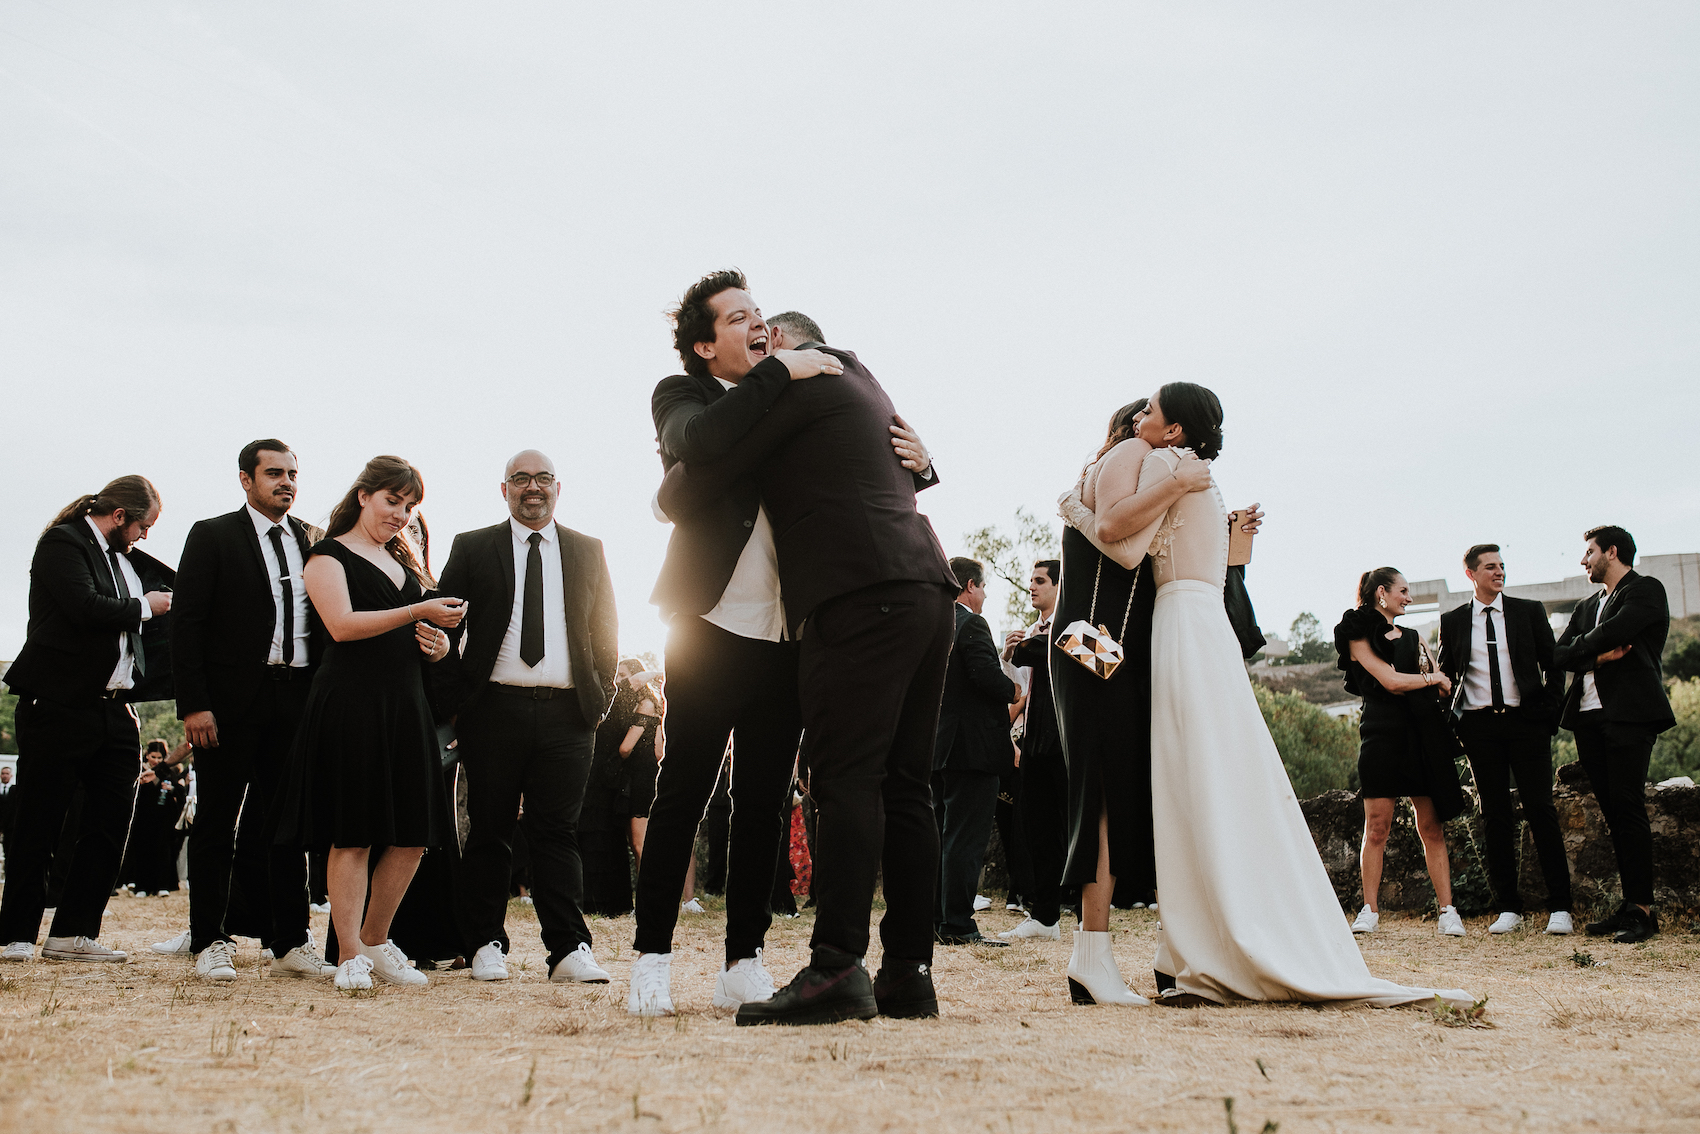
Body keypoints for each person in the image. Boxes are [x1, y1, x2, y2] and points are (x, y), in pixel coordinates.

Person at [657, 276, 959, 1026]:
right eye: (742, 323)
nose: (758, 337)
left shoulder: (792, 384)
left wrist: (770, 380)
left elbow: (692, 475)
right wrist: (925, 464)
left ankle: (834, 970)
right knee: (907, 787)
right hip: (927, 587)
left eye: (765, 330)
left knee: (847, 780)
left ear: (787, 346)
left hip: (861, 597)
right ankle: (908, 975)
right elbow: (890, 461)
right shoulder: (857, 373)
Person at [1123, 383, 1471, 1007]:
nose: (1136, 418)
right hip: (1203, 630)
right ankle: (1193, 947)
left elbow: (1119, 540)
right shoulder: (1204, 478)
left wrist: (1076, 500)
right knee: (1209, 776)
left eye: (1149, 411)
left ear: (1175, 430)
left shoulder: (1166, 465)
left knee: (1189, 778)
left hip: (1181, 628)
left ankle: (1200, 951)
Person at [273, 456, 466, 990]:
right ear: (363, 496)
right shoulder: (326, 556)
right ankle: (350, 954)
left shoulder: (403, 564)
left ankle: (378, 942)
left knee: (412, 835)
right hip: (350, 707)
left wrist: (437, 645)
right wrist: (416, 614)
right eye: (392, 501)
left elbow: (415, 637)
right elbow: (342, 624)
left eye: (410, 507)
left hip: (405, 707)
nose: (401, 515)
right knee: (352, 835)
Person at [432, 449, 619, 986]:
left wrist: (597, 701)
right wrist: (456, 699)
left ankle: (569, 949)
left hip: (568, 715)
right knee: (489, 830)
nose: (531, 488)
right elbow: (444, 622)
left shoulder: (588, 549)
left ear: (559, 487)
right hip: (492, 710)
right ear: (504, 489)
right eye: (521, 479)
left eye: (542, 479)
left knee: (557, 832)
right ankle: (486, 944)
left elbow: (605, 631)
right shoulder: (473, 547)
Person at [1051, 402, 1214, 1003]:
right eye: (1144, 411)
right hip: (1098, 644)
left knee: (1116, 792)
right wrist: (1174, 482)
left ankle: (1100, 956)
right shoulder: (1131, 455)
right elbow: (1120, 549)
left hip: (1099, 643)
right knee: (1101, 794)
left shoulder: (1106, 471)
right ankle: (1091, 958)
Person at [169, 439, 336, 983]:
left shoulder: (314, 539)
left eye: (292, 473)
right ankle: (209, 940)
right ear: (246, 480)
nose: (286, 482)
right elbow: (186, 625)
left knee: (286, 827)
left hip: (296, 701)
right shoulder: (212, 535)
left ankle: (290, 940)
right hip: (229, 706)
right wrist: (194, 706)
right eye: (274, 474)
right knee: (218, 821)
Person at [0, 477, 172, 964]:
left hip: (117, 709)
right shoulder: (63, 542)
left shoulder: (129, 561)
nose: (145, 536)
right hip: (58, 704)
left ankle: (72, 933)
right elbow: (82, 608)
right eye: (143, 525)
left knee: (109, 824)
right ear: (119, 516)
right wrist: (146, 607)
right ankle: (14, 934)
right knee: (41, 819)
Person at [1438, 544, 1574, 936]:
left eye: (1501, 566)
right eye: (1490, 567)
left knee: (1541, 809)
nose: (1499, 572)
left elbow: (1553, 664)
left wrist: (1548, 712)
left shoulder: (1528, 611)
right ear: (1471, 574)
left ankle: (1561, 907)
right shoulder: (1453, 620)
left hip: (1527, 723)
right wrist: (1454, 721)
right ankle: (1508, 909)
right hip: (1479, 729)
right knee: (1493, 815)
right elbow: (1449, 673)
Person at [1553, 525, 1675, 945]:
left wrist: (1586, 650)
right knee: (1612, 812)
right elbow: (1557, 655)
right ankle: (1629, 905)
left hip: (1629, 715)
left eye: (1588, 552)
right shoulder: (1587, 605)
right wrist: (1598, 655)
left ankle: (1641, 910)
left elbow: (1618, 632)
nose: (1583, 561)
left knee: (1628, 806)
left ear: (1612, 551)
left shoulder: (1646, 590)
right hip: (1587, 718)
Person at [1335, 569, 1469, 939]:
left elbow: (1442, 684)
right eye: (1404, 591)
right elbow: (1391, 681)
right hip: (1381, 735)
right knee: (1376, 827)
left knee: (1431, 827)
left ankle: (1448, 911)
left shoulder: (1415, 637)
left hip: (1422, 735)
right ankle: (1369, 911)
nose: (1408, 598)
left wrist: (1437, 682)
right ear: (1382, 593)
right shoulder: (1356, 633)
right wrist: (1432, 680)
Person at [932, 557, 1018, 947]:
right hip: (974, 750)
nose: (984, 595)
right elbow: (986, 678)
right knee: (966, 841)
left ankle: (937, 918)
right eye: (983, 587)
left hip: (941, 749)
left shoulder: (934, 624)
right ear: (969, 585)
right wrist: (1013, 689)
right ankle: (959, 925)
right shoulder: (972, 623)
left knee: (944, 839)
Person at [1001, 559, 1067, 941]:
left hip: (1066, 737)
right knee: (1035, 826)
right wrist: (1008, 657)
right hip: (1034, 739)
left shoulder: (1071, 625)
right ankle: (1044, 917)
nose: (1032, 587)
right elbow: (1018, 690)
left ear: (1060, 586)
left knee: (1068, 824)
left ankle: (1079, 907)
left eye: (1040, 581)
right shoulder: (1027, 634)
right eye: (1030, 582)